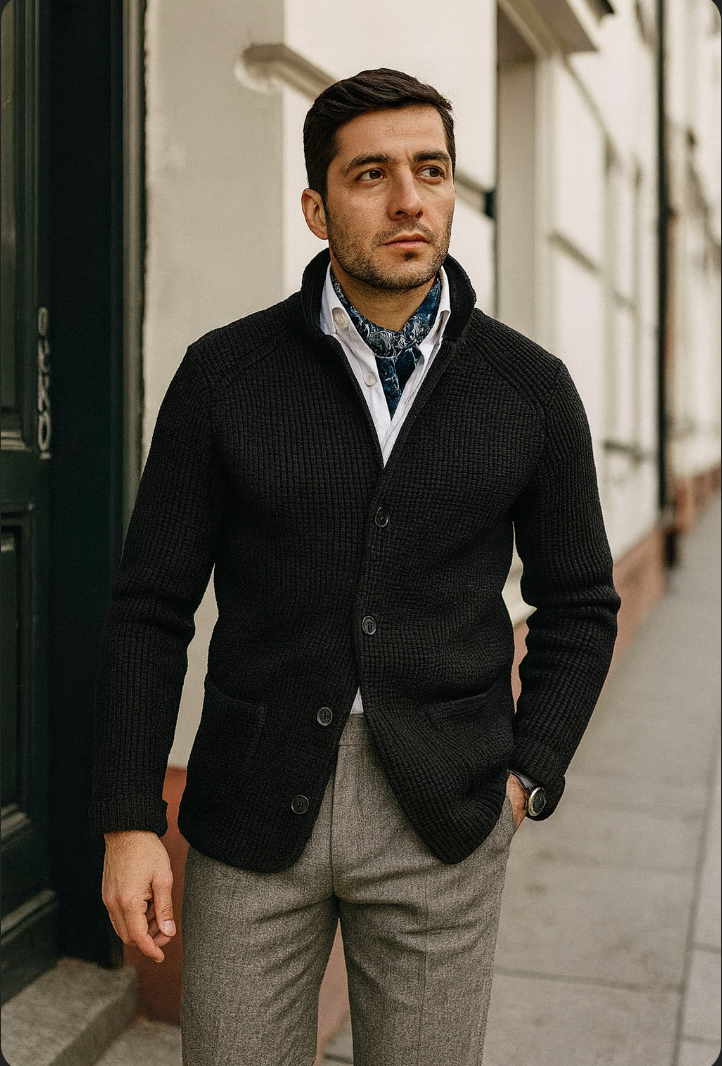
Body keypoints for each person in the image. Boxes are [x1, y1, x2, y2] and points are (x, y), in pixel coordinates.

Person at [92, 68, 620, 1066]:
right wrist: (128, 820)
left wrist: (526, 779)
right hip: (251, 804)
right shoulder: (224, 376)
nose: (408, 198)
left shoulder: (529, 389)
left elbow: (582, 604)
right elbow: (150, 609)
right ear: (316, 206)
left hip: (445, 812)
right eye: (371, 174)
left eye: (431, 170)